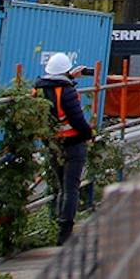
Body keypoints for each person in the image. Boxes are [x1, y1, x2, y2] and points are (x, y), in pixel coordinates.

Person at [36, 52, 94, 244]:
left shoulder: (38, 91)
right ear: (66, 70)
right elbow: (77, 120)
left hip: (53, 145)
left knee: (62, 187)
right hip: (73, 144)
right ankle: (65, 232)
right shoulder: (67, 91)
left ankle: (59, 226)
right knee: (71, 188)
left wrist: (70, 76)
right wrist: (89, 135)